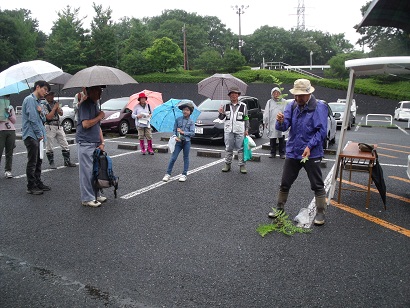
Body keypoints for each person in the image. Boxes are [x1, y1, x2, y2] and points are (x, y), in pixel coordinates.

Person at [268, 79, 328, 225]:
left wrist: (309, 146)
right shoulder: (292, 105)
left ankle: (320, 213)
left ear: (308, 94)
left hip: (312, 153)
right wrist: (281, 121)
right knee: (285, 182)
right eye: (296, 95)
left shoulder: (319, 107)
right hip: (294, 151)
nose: (298, 98)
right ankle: (279, 208)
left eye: (301, 95)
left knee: (317, 184)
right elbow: (283, 127)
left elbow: (322, 131)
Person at [76, 86, 107, 207]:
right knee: (87, 171)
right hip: (85, 142)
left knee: (95, 170)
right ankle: (87, 198)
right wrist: (99, 116)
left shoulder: (95, 104)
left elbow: (97, 126)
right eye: (97, 90)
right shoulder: (85, 105)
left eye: (101, 91)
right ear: (90, 91)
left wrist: (102, 142)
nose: (100, 93)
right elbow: (85, 124)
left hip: (94, 142)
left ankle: (95, 194)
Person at [21, 80, 51, 195]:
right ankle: (31, 185)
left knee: (39, 160)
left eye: (47, 91)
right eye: (44, 89)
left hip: (38, 135)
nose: (45, 92)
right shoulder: (29, 100)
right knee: (33, 161)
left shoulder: (38, 102)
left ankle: (38, 182)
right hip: (31, 135)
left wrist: (41, 111)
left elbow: (43, 119)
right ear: (38, 87)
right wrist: (39, 135)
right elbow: (33, 120)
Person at [218, 86, 249, 174]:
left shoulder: (243, 106)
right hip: (228, 130)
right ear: (229, 95)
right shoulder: (225, 106)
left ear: (238, 95)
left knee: (241, 148)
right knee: (228, 148)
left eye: (235, 93)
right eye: (232, 94)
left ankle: (242, 165)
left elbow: (246, 118)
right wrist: (220, 113)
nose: (234, 95)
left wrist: (246, 129)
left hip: (240, 130)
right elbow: (221, 118)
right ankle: (227, 164)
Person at [162, 102, 195, 183]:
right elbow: (174, 130)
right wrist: (175, 137)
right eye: (184, 109)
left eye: (187, 110)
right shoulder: (178, 119)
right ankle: (168, 174)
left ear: (190, 112)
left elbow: (193, 133)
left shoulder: (191, 122)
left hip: (186, 142)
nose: (185, 111)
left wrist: (183, 133)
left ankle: (184, 174)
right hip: (178, 142)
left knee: (186, 158)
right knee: (173, 158)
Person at [42, 91, 76, 168]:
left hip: (58, 125)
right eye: (50, 95)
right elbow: (48, 117)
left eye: (53, 95)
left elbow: (61, 113)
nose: (52, 97)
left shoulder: (55, 103)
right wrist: (54, 108)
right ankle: (51, 162)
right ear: (46, 96)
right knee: (49, 145)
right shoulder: (43, 104)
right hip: (49, 126)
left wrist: (58, 109)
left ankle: (67, 161)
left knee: (64, 143)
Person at [263, 87, 287, 158]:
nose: (276, 94)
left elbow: (286, 111)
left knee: (281, 138)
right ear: (272, 94)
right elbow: (266, 112)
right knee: (272, 138)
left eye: (277, 93)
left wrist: (285, 121)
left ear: (280, 93)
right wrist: (265, 121)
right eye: (274, 93)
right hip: (272, 122)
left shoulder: (284, 101)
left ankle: (282, 153)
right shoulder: (269, 102)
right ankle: (272, 152)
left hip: (281, 122)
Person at [0, 95, 16, 178]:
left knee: (9, 152)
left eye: (7, 97)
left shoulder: (10, 107)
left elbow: (14, 121)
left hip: (11, 130)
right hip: (1, 131)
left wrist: (9, 114)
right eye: (4, 97)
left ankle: (8, 170)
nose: (6, 99)